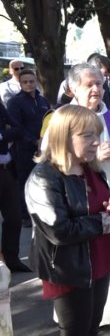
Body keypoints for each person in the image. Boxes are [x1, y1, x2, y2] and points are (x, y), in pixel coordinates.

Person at [25, 105, 110, 336]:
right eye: (87, 136)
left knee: (90, 332)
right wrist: (109, 218)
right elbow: (59, 230)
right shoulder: (43, 177)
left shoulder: (90, 169)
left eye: (95, 134)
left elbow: (103, 202)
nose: (96, 141)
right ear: (64, 137)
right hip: (69, 268)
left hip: (98, 261)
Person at [7, 69, 51, 227]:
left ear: (36, 82)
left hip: (44, 149)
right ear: (20, 83)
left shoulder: (43, 101)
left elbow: (49, 122)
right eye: (25, 82)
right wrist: (34, 141)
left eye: (31, 81)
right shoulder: (15, 103)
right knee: (25, 181)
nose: (29, 84)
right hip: (24, 149)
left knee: (43, 180)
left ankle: (40, 210)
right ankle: (25, 215)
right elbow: (16, 127)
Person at [0, 102, 28, 272]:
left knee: (14, 218)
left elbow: (18, 129)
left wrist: (2, 135)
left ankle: (12, 259)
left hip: (6, 170)